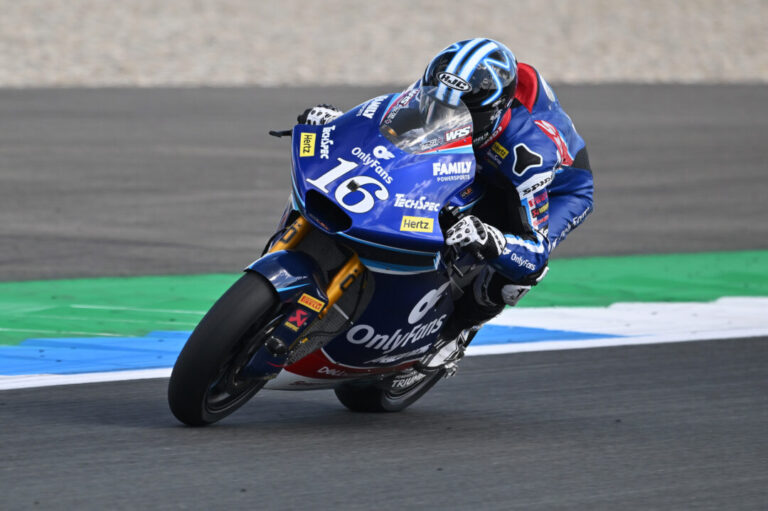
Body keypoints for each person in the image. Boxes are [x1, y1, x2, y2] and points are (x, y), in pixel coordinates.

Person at [297, 38, 594, 343]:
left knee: (513, 277)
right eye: (438, 105)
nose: (444, 116)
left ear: (493, 112)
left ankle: (453, 337)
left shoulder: (528, 153)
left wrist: (493, 240)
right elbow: (385, 129)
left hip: (555, 189)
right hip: (476, 161)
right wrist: (338, 123)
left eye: (464, 114)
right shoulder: (440, 89)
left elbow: (534, 254)